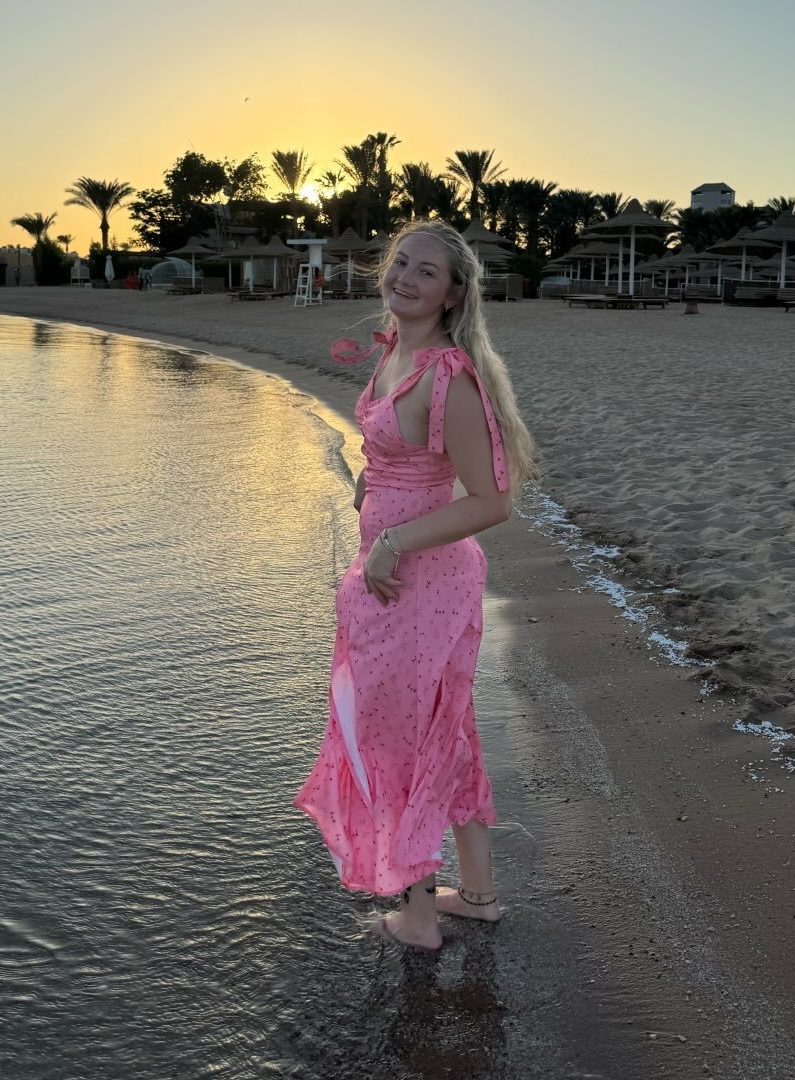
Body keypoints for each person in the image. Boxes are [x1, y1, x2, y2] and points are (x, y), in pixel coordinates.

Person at [293, 220, 536, 951]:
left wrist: (393, 540)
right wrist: (372, 485)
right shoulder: (396, 353)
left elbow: (492, 501)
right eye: (400, 262)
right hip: (389, 577)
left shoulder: (447, 376)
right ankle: (478, 896)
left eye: (425, 271)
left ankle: (421, 918)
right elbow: (400, 453)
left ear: (453, 293)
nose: (404, 277)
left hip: (421, 584)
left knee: (401, 741)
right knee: (443, 732)